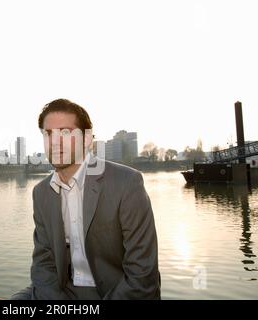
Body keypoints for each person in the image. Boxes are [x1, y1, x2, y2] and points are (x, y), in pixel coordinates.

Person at [12, 98, 160, 299]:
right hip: (64, 290)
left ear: (87, 140)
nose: (55, 141)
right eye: (48, 133)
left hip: (115, 291)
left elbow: (142, 276)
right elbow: (44, 263)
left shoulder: (127, 183)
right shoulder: (41, 192)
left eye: (65, 132)